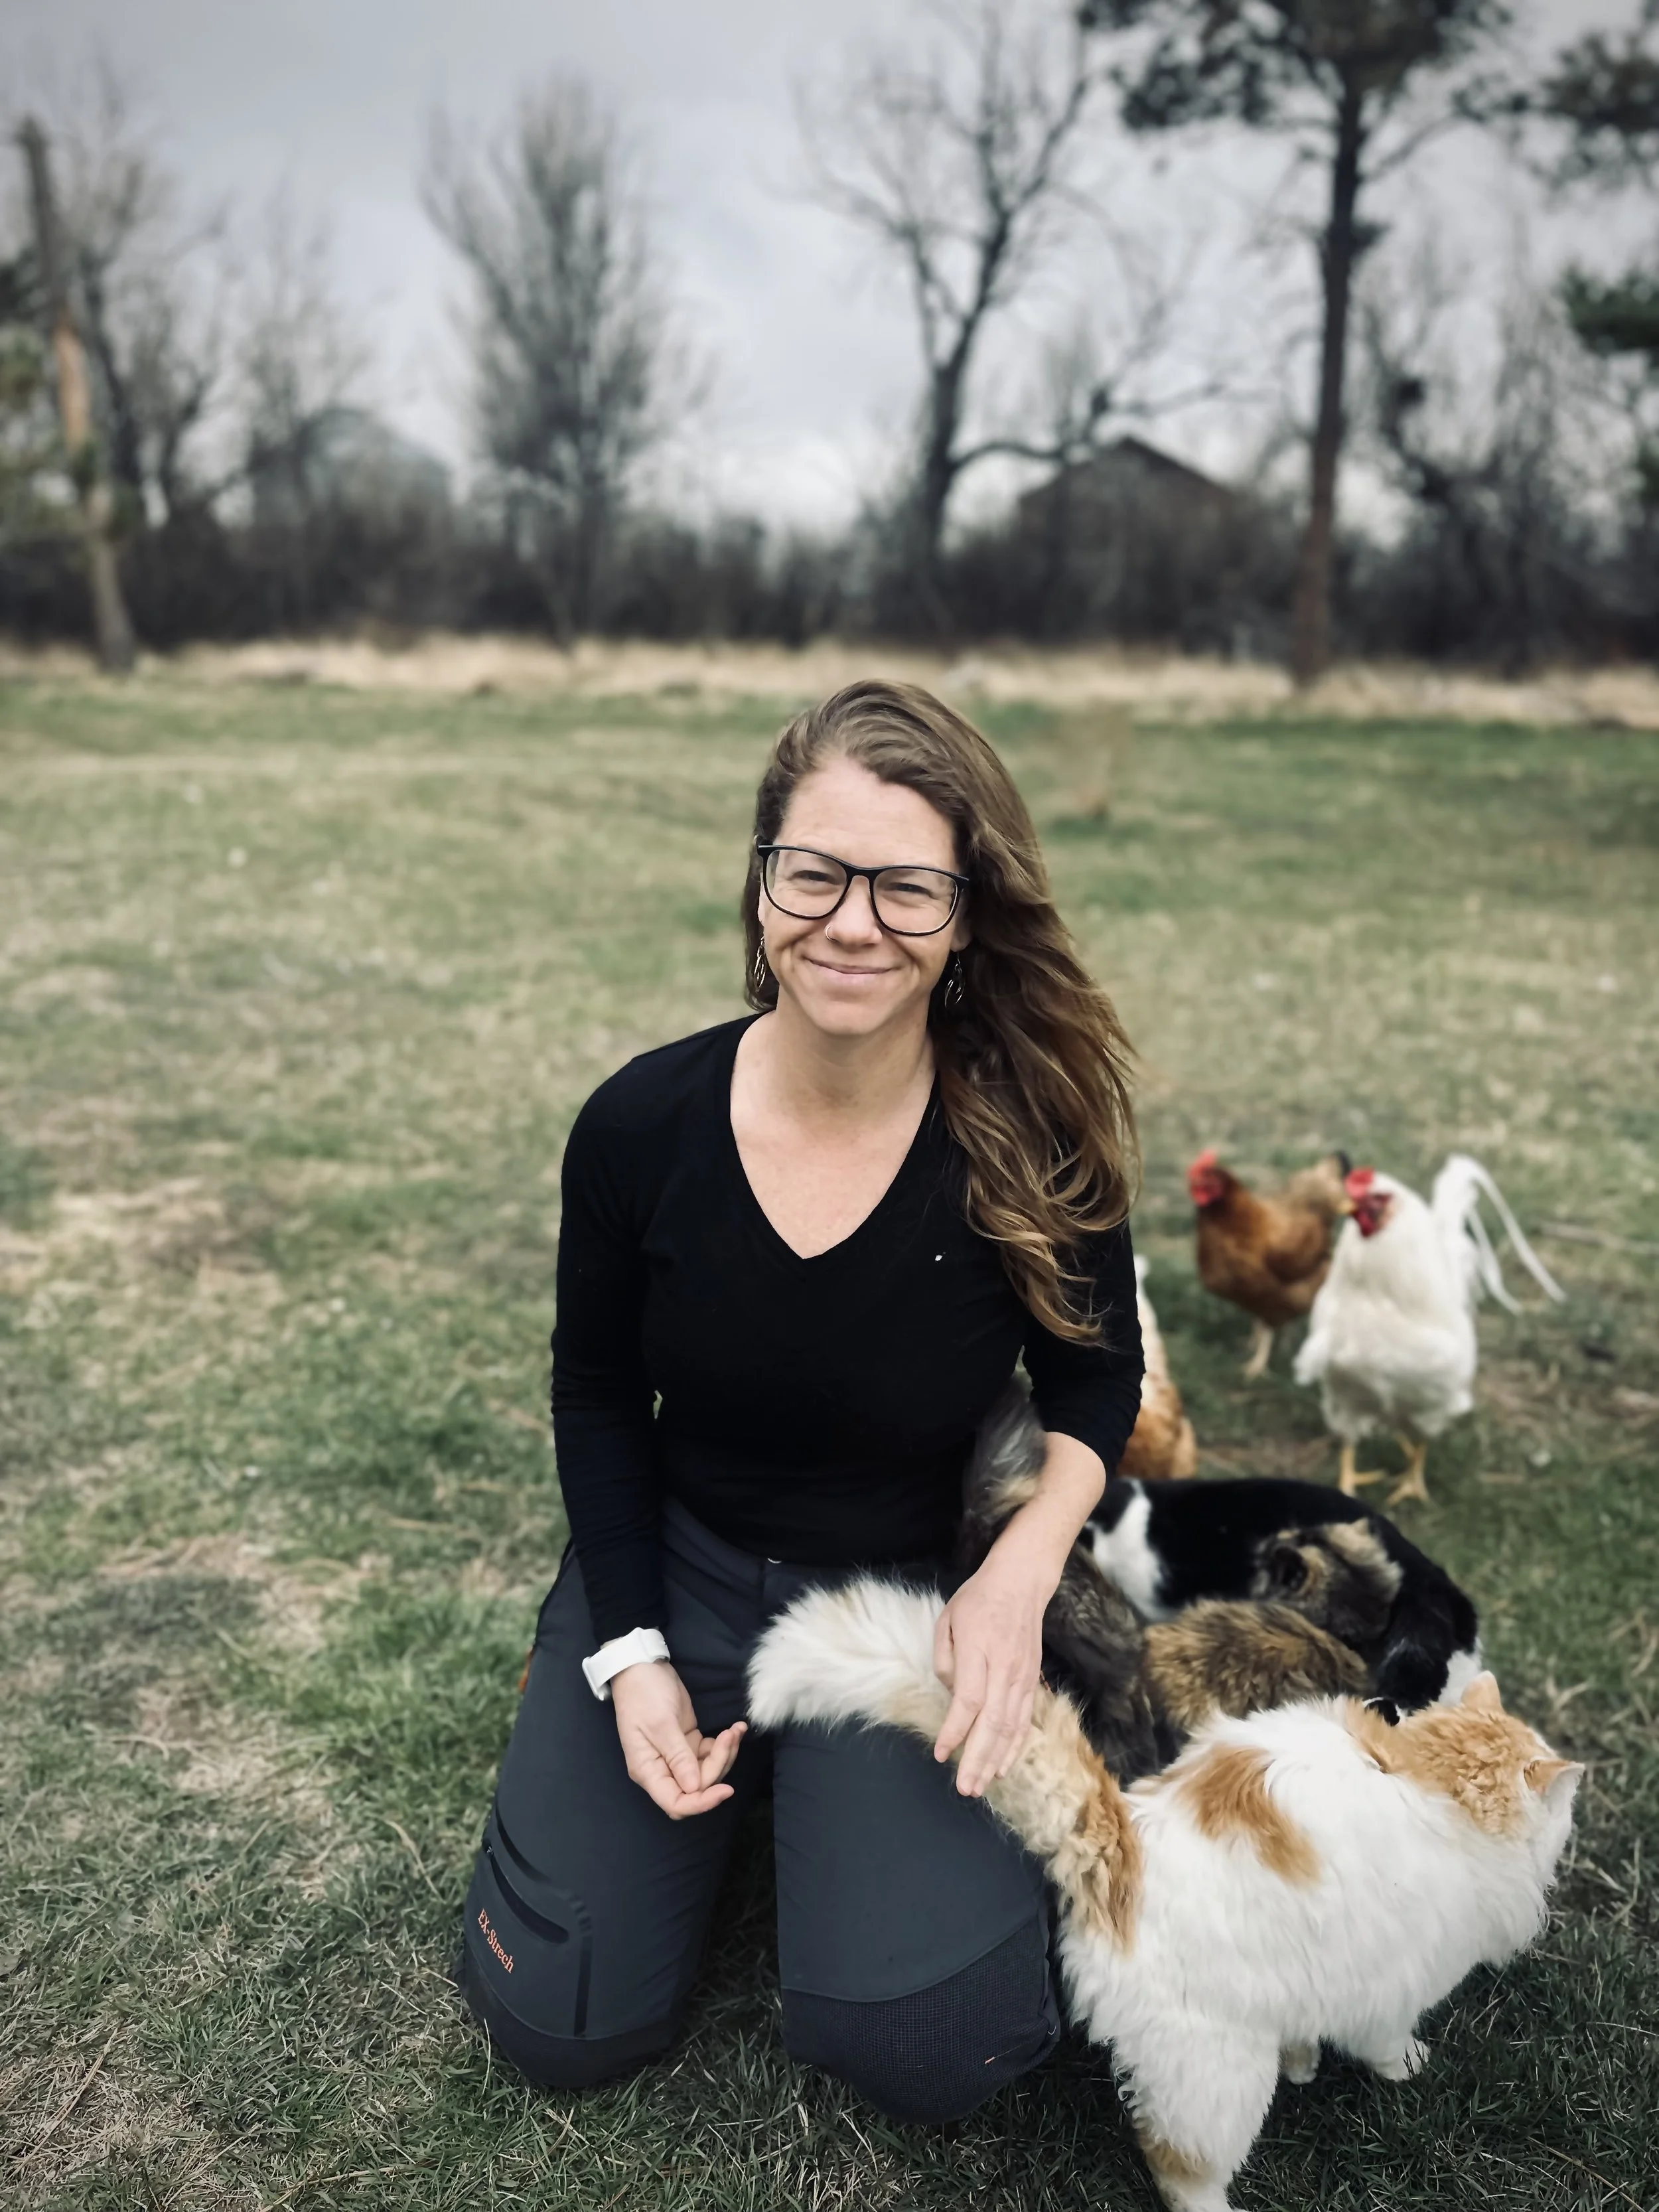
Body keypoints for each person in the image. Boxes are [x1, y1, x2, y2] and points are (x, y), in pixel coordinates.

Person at [457, 678, 1143, 2123]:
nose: (851, 921)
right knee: (558, 2023)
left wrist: (1017, 1573)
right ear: (761, 882)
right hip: (685, 1560)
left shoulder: (1032, 1134)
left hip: (898, 1593)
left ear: (963, 914)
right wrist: (632, 1647)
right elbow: (592, 1395)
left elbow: (1093, 1379)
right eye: (815, 871)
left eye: (906, 886)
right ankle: (705, 1738)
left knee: (935, 2048)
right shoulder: (639, 1123)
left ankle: (815, 1784)